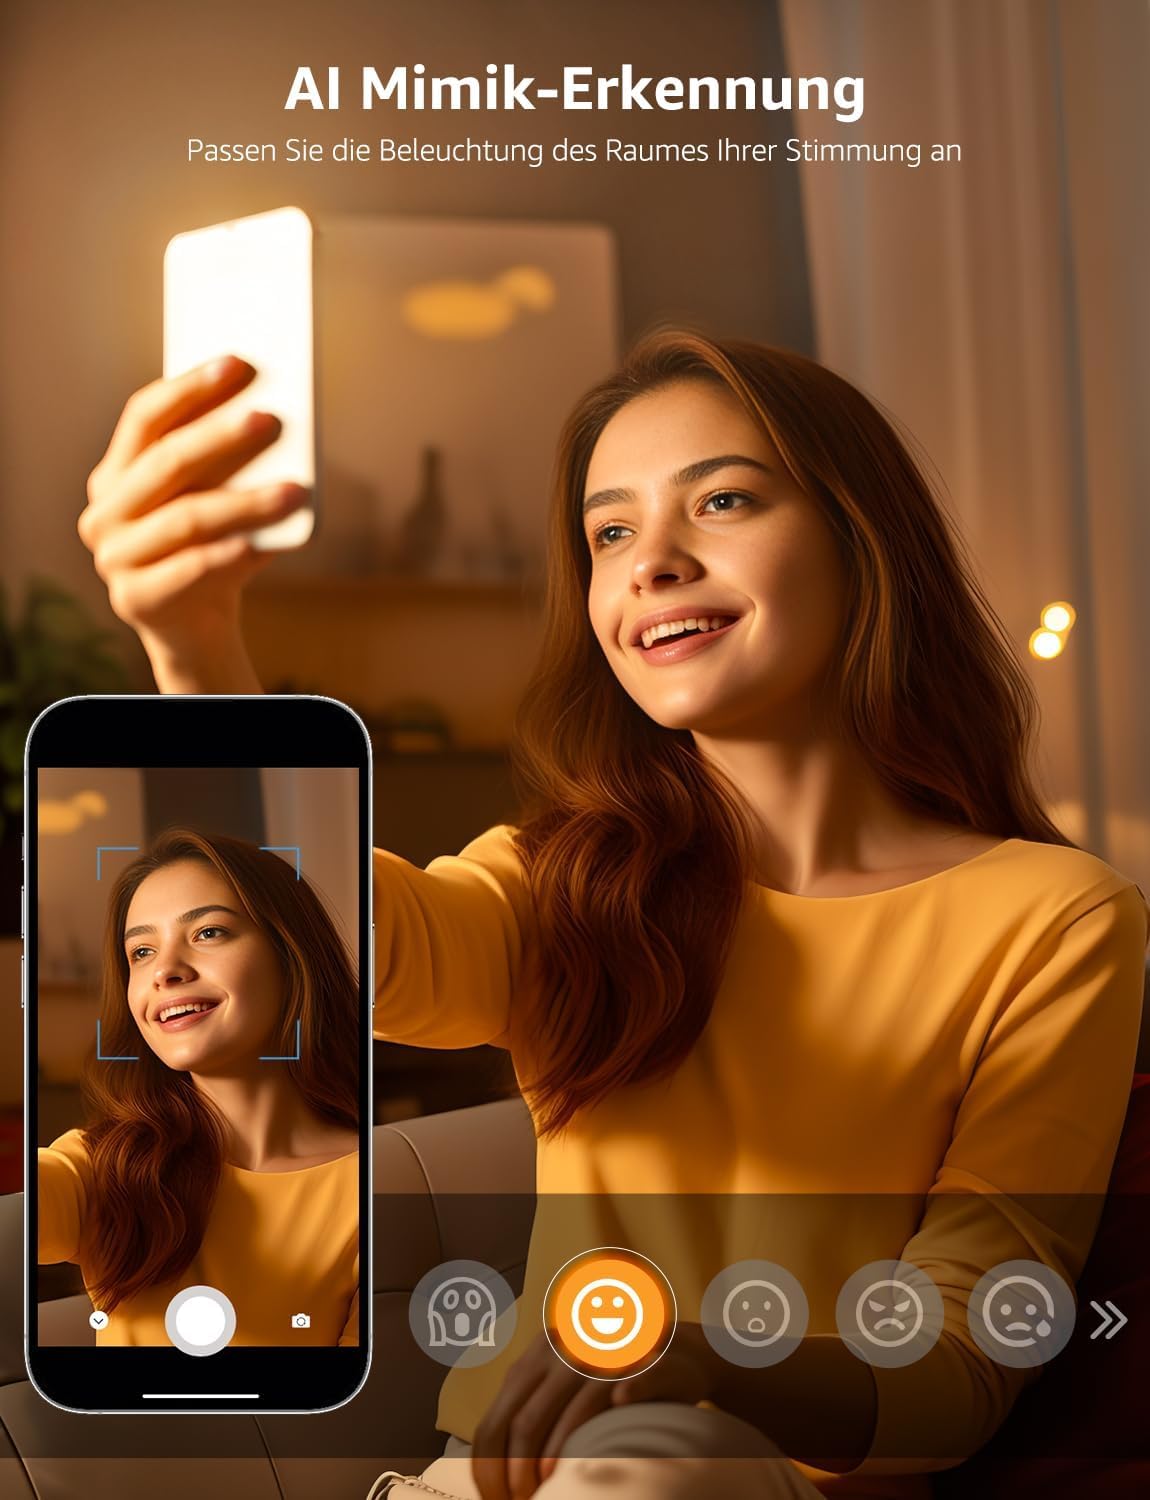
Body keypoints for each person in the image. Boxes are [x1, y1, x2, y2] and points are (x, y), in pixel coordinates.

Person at [80, 331, 1149, 1497]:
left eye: (723, 500)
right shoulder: (570, 876)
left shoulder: (1059, 919)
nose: (653, 563)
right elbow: (355, 951)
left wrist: (698, 1365)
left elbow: (961, 1361)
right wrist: (195, 646)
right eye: (611, 533)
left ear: (862, 539)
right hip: (482, 1486)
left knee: (658, 1467)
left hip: (740, 1485)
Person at [38, 828, 361, 1348]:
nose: (165, 970)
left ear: (290, 953)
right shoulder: (105, 1164)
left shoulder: (379, 1185)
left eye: (208, 933)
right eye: (141, 951)